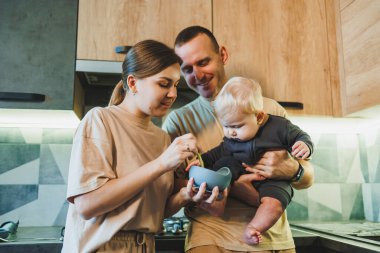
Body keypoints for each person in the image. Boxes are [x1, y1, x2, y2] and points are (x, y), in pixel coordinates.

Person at [162, 26, 314, 253]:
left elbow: (307, 179)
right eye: (187, 69)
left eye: (203, 62)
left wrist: (292, 170)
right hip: (210, 240)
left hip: (274, 243)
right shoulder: (178, 122)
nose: (198, 75)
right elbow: (172, 189)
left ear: (222, 55)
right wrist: (233, 187)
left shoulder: (269, 109)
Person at [62, 39, 217, 253]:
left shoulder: (162, 138)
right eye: (164, 84)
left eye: (175, 85)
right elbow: (87, 205)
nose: (172, 94)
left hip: (145, 246)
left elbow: (150, 211)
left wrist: (184, 197)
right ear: (133, 83)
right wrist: (162, 163)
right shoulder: (100, 120)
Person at [187, 76, 313, 245]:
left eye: (237, 126)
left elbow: (301, 136)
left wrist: (304, 145)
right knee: (223, 168)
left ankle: (253, 228)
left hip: (271, 180)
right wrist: (200, 162)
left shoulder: (280, 126)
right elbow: (215, 154)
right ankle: (218, 204)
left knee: (275, 203)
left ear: (259, 117)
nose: (231, 133)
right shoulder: (231, 139)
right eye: (226, 126)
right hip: (237, 171)